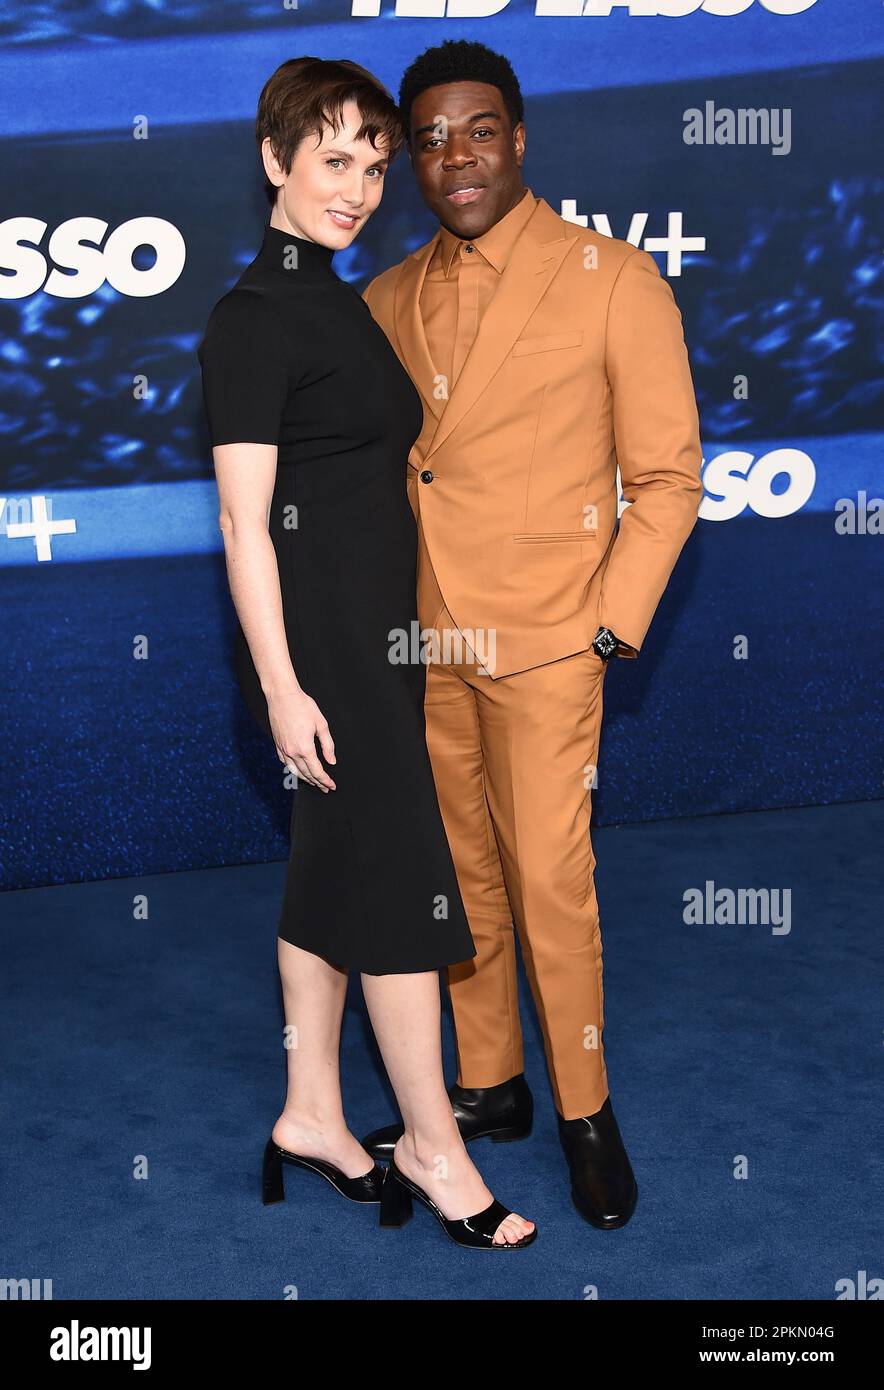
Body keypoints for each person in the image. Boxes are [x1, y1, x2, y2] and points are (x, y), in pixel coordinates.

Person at [361, 40, 704, 1229]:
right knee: (458, 881)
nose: (455, 156)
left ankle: (585, 1111)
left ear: (519, 137)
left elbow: (665, 478)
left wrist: (603, 630)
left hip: (552, 641)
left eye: (478, 129)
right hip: (428, 648)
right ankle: (491, 1081)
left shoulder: (612, 278)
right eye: (430, 137)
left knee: (553, 883)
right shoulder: (385, 299)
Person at [196, 56, 536, 1250]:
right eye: (332, 159)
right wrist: (283, 688)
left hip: (371, 640)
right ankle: (435, 1145)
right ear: (274, 160)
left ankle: (310, 1115)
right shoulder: (251, 319)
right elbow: (244, 522)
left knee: (327, 877)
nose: (357, 187)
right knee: (399, 890)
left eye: (373, 165)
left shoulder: (335, 297)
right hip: (322, 657)